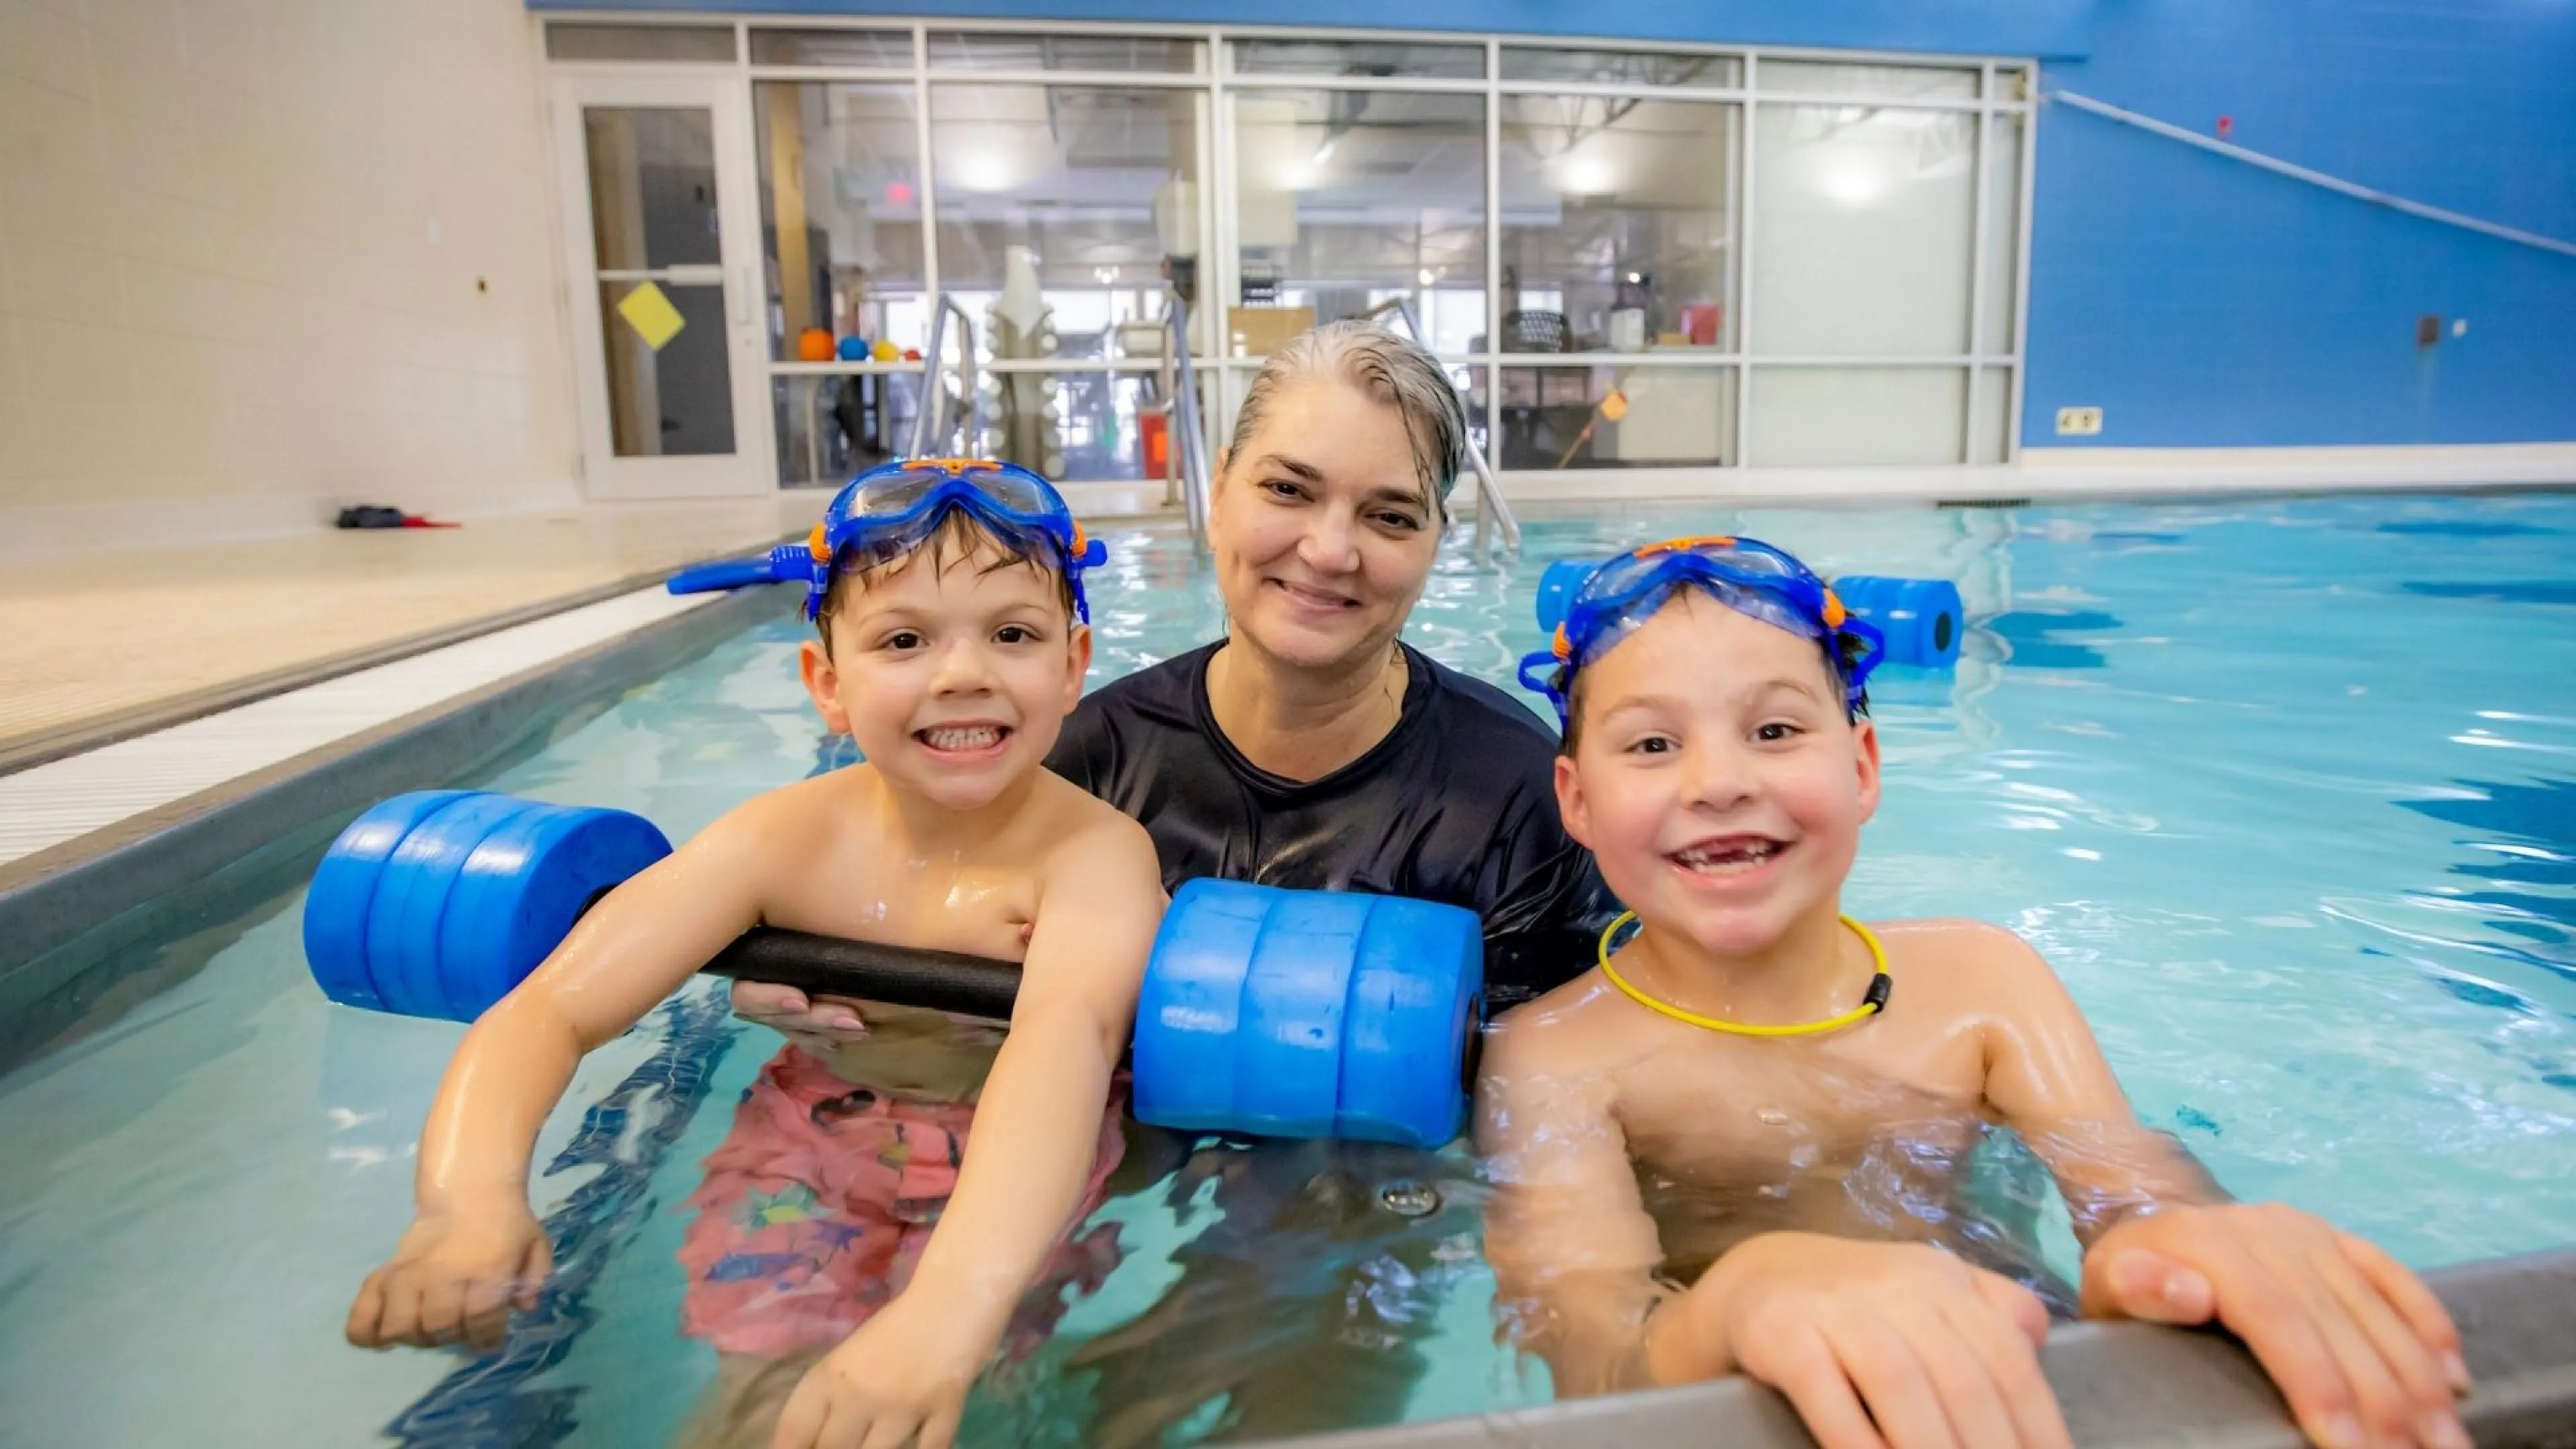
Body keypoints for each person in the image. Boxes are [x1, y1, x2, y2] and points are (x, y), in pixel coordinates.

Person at [733, 321, 1615, 1443]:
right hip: (1099, 1149)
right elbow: (928, 945)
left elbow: (1559, 1091)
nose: (1330, 550)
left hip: (1356, 1189)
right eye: (1288, 490)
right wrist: (837, 989)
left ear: (1440, 541)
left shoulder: (1512, 795)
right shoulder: (1080, 757)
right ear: (1215, 495)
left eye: (1389, 514)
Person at [1477, 535, 2471, 1449]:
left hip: (2018, 1351)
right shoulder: (1555, 1057)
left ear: (1863, 767)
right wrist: (1740, 1296)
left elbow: (2130, 1189)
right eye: (1653, 746)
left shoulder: (1983, 983)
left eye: (1776, 729)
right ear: (1578, 801)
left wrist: (2169, 1244)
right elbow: (1599, 1375)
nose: (1720, 781)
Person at [343, 461, 1171, 1449]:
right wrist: (467, 1204)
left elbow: (1063, 1050)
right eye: (904, 640)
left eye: (1013, 635)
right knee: (761, 1410)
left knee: (980, 1397)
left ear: (1074, 665)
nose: (964, 674)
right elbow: (551, 1008)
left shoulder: (1097, 858)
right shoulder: (782, 842)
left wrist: (949, 1308)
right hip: (809, 1148)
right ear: (827, 682)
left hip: (1023, 1166)